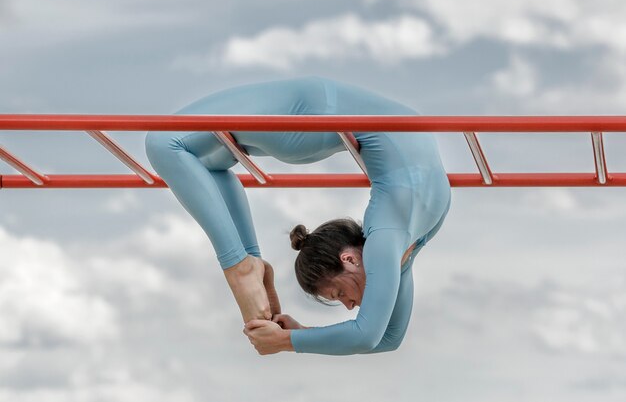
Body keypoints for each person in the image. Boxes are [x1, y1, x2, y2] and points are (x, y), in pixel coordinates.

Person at [145, 76, 451, 355]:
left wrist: (291, 338)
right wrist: (290, 340)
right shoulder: (389, 240)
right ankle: (241, 264)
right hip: (311, 111)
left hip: (314, 116)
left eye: (339, 294)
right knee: (163, 141)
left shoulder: (394, 242)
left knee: (174, 146)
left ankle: (247, 262)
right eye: (340, 294)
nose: (349, 305)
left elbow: (383, 337)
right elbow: (373, 335)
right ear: (349, 258)